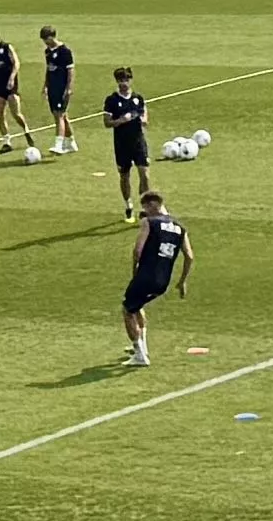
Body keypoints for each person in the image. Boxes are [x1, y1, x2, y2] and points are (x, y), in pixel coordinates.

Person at [119, 190, 193, 368]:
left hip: (146, 275)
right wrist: (182, 281)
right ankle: (142, 346)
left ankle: (139, 354)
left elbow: (137, 250)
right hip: (163, 280)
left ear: (153, 205)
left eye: (145, 207)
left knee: (127, 310)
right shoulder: (180, 228)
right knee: (137, 305)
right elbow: (189, 256)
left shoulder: (149, 222)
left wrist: (134, 270)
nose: (144, 212)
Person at [103, 66, 153, 220]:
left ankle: (145, 208)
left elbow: (144, 115)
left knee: (144, 174)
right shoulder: (112, 100)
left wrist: (143, 121)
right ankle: (128, 205)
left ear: (130, 80)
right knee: (124, 176)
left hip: (138, 141)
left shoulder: (138, 98)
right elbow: (107, 123)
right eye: (120, 80)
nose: (123, 83)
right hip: (121, 143)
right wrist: (120, 121)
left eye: (126, 79)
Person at [0, 24, 38, 155]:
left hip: (10, 86)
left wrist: (12, 78)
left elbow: (16, 63)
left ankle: (26, 131)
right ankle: (6, 142)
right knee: (0, 114)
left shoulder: (6, 47)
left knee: (16, 113)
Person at [39, 25, 78, 155]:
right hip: (52, 88)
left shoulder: (64, 51)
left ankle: (59, 145)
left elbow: (70, 70)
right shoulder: (48, 52)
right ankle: (71, 143)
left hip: (62, 88)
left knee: (59, 115)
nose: (45, 42)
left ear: (52, 37)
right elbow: (48, 69)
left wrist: (69, 88)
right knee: (62, 115)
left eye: (46, 39)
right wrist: (45, 85)